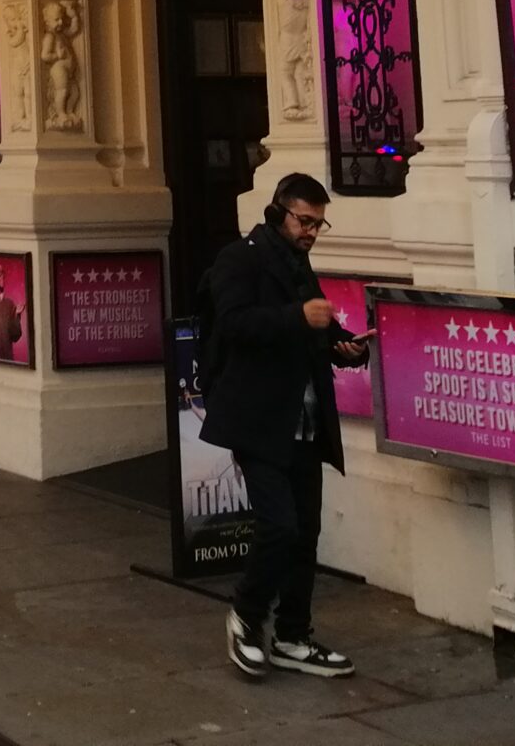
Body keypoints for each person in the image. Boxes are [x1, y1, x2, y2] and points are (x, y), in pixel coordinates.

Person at [201, 173, 368, 681]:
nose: (312, 232)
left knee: (305, 535)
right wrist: (300, 317)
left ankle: (294, 635)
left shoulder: (297, 263)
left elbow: (312, 326)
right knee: (279, 525)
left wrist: (347, 345)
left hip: (306, 420)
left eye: (319, 223)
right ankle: (246, 617)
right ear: (278, 212)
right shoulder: (241, 258)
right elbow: (233, 324)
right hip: (258, 420)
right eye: (304, 221)